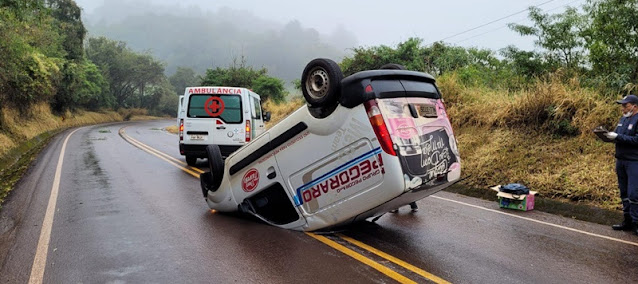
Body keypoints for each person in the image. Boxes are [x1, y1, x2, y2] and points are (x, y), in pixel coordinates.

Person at [605, 94, 638, 234]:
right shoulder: (622, 120)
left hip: (634, 161)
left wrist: (618, 137)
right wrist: (608, 136)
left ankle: (636, 222)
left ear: (634, 106)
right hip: (621, 159)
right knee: (623, 192)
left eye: (626, 105)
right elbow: (618, 136)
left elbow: (636, 140)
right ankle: (627, 220)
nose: (623, 108)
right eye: (622, 106)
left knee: (634, 193)